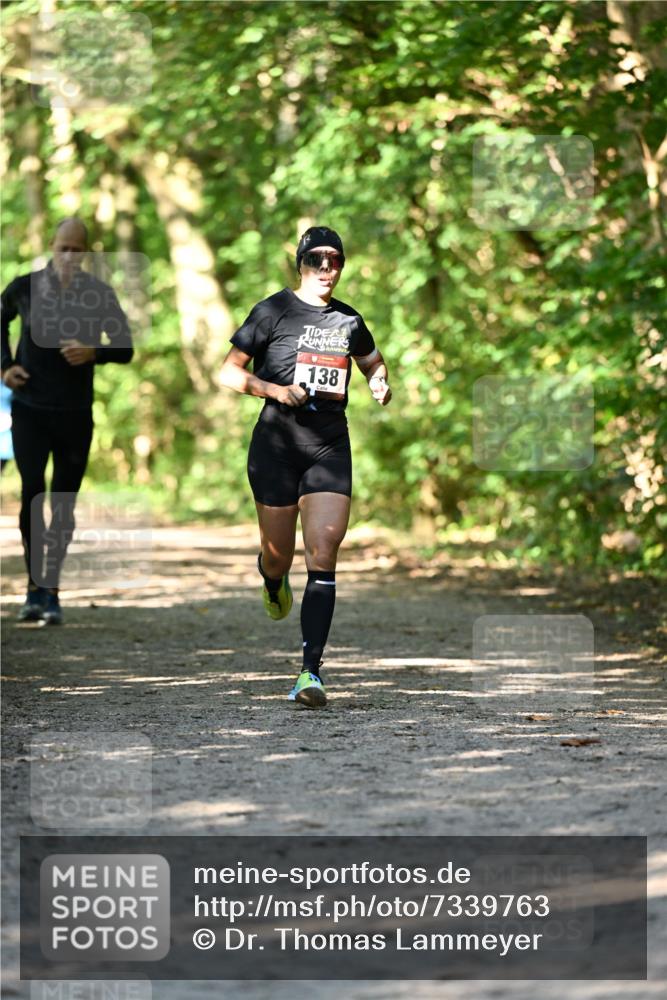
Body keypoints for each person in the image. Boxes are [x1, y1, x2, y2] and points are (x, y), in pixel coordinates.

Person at [219, 226, 391, 707]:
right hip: (276, 444)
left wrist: (379, 382)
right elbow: (228, 371)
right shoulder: (272, 310)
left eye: (335, 260)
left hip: (328, 446)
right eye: (316, 259)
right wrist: (275, 391)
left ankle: (309, 672)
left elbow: (373, 362)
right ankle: (272, 579)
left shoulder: (349, 321)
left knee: (324, 547)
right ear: (301, 263)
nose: (326, 268)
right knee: (279, 556)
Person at [1, 218, 133, 624]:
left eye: (78, 250)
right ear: (52, 246)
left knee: (62, 503)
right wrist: (5, 367)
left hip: (75, 414)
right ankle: (33, 589)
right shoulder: (25, 286)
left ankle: (52, 590)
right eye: (64, 248)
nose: (70, 256)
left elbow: (124, 347)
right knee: (31, 493)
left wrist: (95, 352)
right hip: (29, 410)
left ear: (87, 254)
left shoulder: (98, 294)